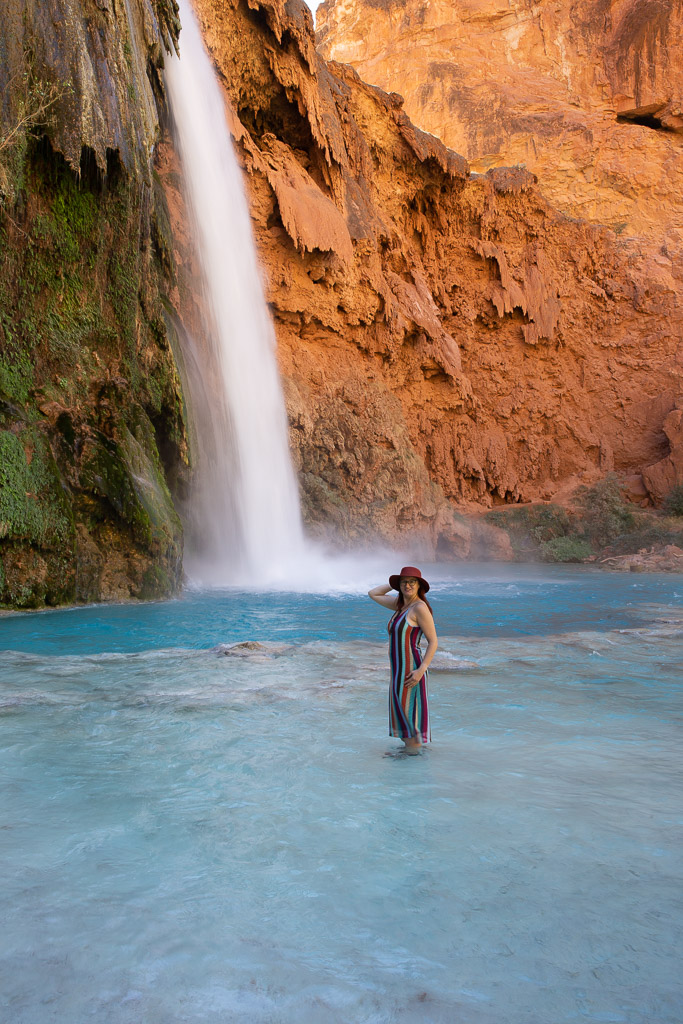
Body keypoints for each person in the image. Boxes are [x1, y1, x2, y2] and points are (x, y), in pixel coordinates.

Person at [368, 566, 438, 752]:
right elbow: (373, 593)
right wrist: (393, 584)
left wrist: (421, 670)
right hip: (398, 671)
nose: (407, 585)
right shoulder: (401, 606)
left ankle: (413, 763)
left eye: (412, 582)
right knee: (402, 716)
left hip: (412, 670)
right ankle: (410, 756)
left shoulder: (419, 608)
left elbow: (433, 642)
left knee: (411, 718)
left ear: (419, 585)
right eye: (404, 582)